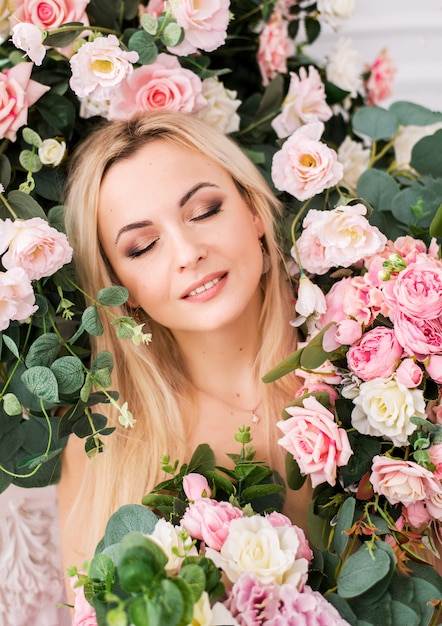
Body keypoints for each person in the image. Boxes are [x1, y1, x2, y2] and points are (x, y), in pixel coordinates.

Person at [57, 111, 312, 590]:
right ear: (120, 288)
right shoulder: (105, 448)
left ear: (254, 212)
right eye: (143, 245)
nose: (187, 251)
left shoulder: (375, 365)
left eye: (204, 211)